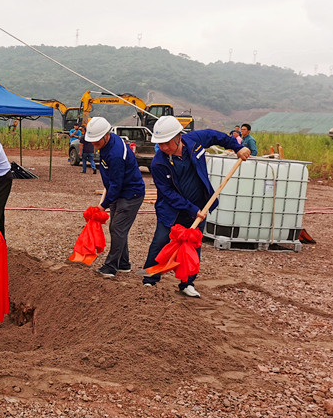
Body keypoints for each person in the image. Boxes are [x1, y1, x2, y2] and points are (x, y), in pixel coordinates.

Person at [142, 116, 250, 298]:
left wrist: (238, 147)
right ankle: (149, 278)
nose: (163, 148)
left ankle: (187, 283)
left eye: (167, 143)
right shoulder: (158, 163)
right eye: (160, 144)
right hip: (172, 210)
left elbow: (217, 137)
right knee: (160, 241)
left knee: (192, 244)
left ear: (178, 137)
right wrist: (191, 209)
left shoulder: (194, 141)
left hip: (201, 206)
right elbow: (168, 193)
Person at [84, 117, 146, 277]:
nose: (94, 144)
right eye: (92, 141)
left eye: (96, 141)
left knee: (117, 228)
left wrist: (102, 205)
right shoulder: (107, 143)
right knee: (119, 228)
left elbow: (116, 185)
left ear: (106, 135)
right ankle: (124, 264)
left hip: (130, 194)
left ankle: (111, 267)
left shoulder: (116, 154)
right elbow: (112, 182)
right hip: (118, 190)